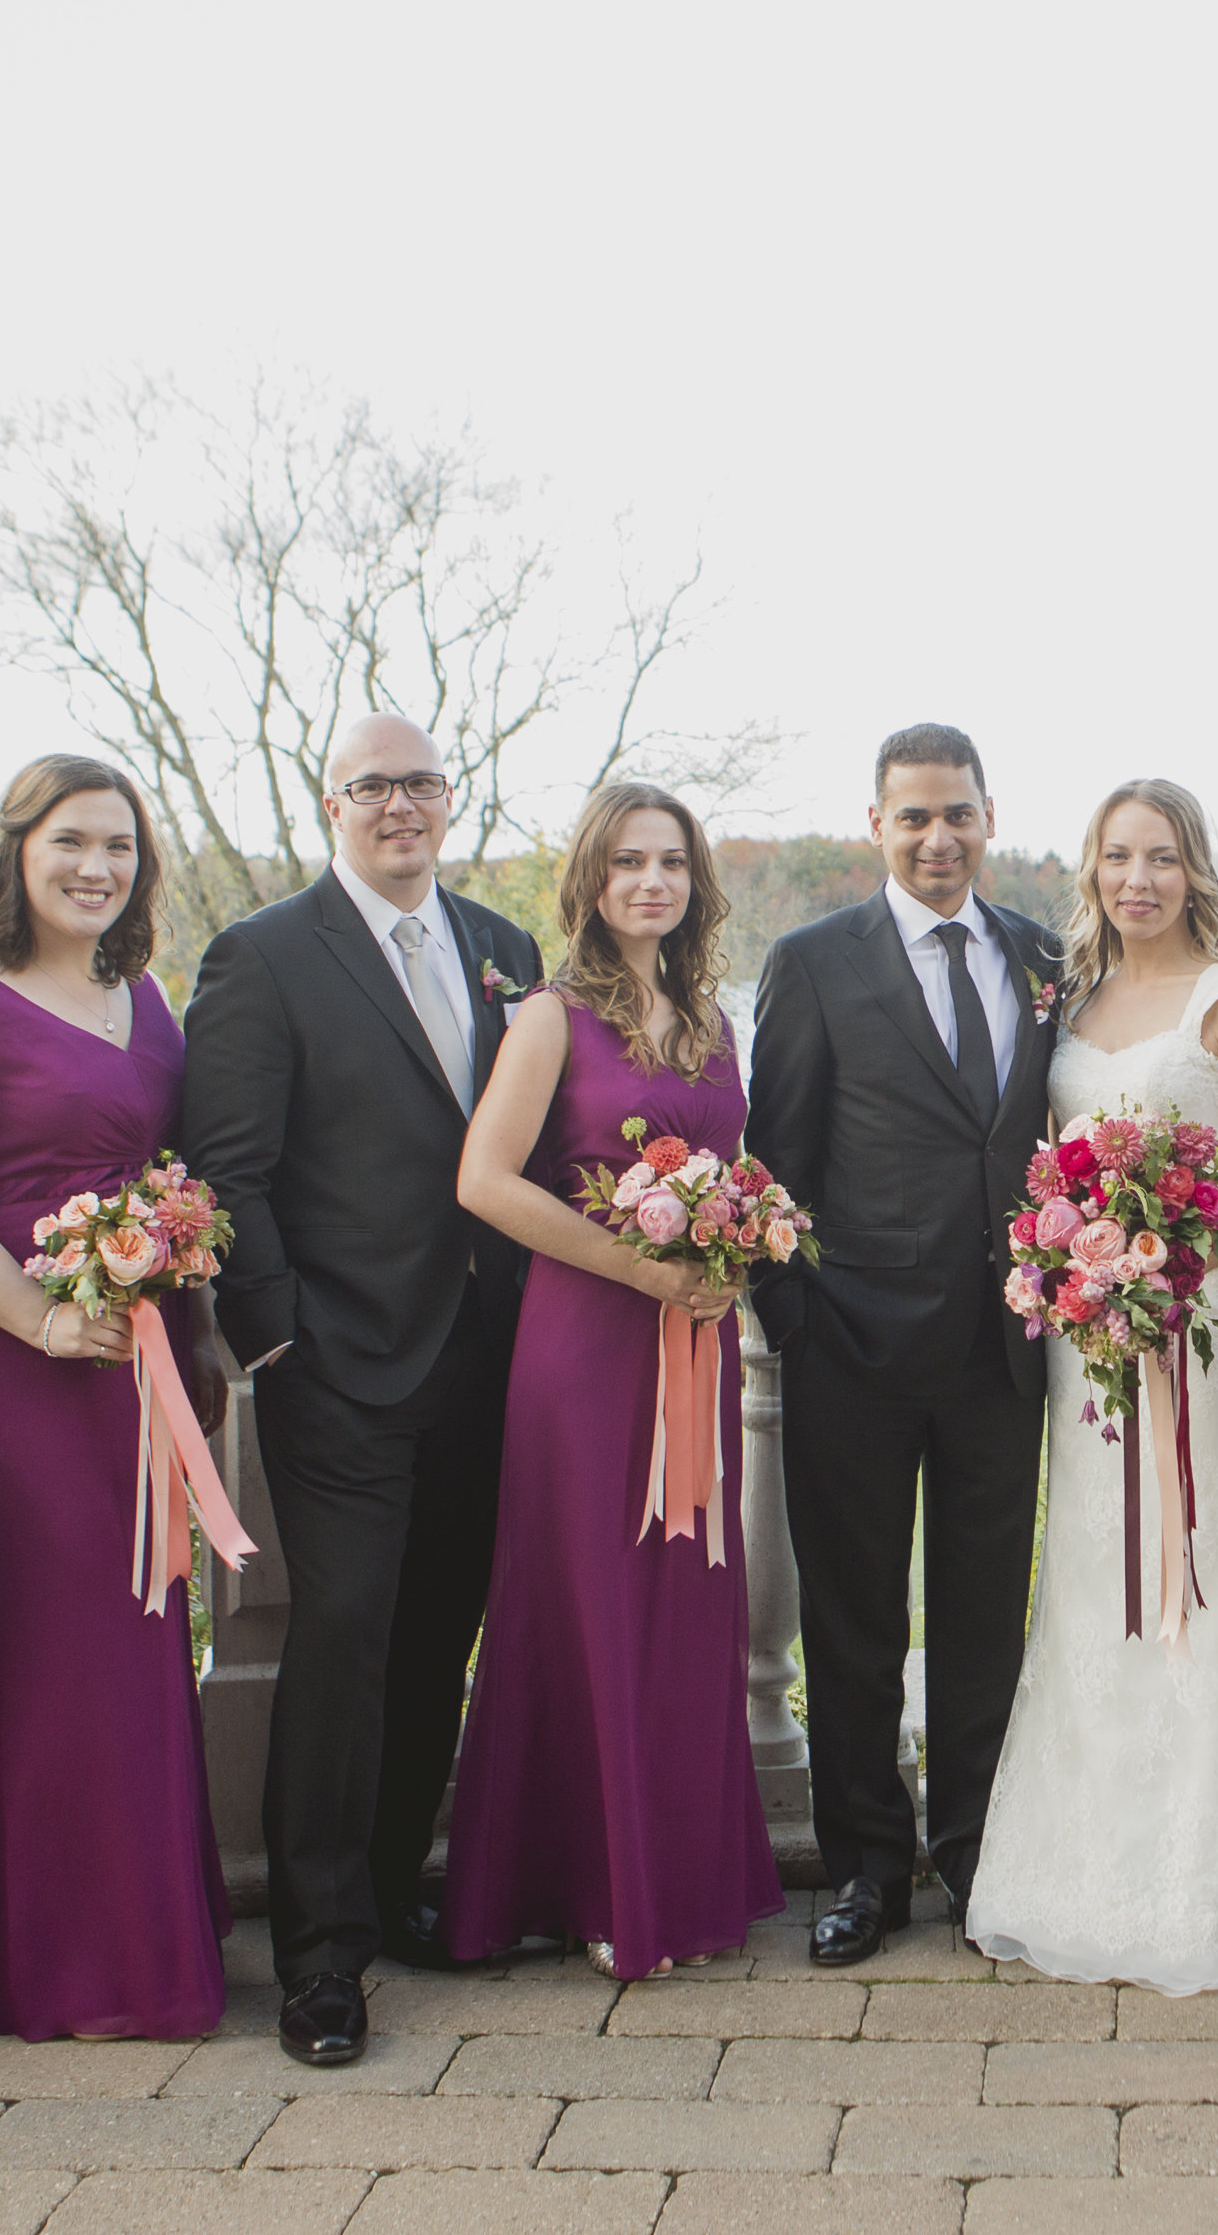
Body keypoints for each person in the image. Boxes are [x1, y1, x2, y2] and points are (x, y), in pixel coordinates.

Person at [180, 713, 542, 2066]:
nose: (402, 806)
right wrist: (274, 1346)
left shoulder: (507, 950)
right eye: (373, 786)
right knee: (339, 1640)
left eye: (422, 783)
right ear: (329, 802)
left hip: (489, 1361)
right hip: (339, 1367)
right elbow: (229, 1170)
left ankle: (392, 1888)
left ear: (451, 801)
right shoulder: (264, 957)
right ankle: (321, 1960)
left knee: (439, 1634)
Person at [967, 779, 1218, 1992]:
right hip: (1093, 1327)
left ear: (1197, 872)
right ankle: (1085, 1859)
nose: (1135, 879)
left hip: (1202, 1322)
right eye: (1114, 858)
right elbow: (1050, 1165)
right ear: (1089, 872)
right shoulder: (1072, 1000)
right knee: (1097, 1571)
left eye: (1159, 859)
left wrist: (1173, 1272)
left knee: (1215, 1561)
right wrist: (1078, 1272)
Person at [0, 757, 227, 2041]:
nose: (98, 867)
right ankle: (64, 1964)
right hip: (13, 1361)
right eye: (72, 841)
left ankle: (140, 1936)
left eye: (122, 848)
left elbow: (171, 1164)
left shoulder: (140, 999)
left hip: (136, 1357)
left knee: (140, 1634)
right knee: (53, 1644)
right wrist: (41, 1315)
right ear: (15, 851)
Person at [440, 783, 781, 1978]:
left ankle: (677, 1872)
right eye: (629, 861)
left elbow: (735, 1169)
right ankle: (584, 1880)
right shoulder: (550, 1015)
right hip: (586, 1345)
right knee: (586, 1597)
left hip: (694, 1340)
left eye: (672, 863)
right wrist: (639, 1264)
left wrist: (737, 1238)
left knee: (687, 1595)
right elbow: (485, 1179)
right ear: (590, 878)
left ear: (695, 883)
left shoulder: (711, 1020)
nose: (652, 881)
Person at [749, 723, 1066, 1965]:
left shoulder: (1046, 957)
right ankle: (865, 1870)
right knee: (852, 1624)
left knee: (985, 1617)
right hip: (852, 1353)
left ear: (991, 818)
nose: (938, 838)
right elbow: (776, 1155)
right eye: (913, 817)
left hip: (1003, 1350)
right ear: (874, 824)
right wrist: (796, 1322)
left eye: (958, 815)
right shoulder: (813, 962)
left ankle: (975, 1857)